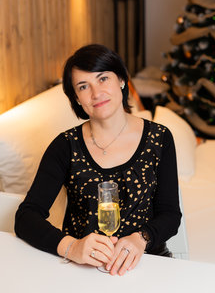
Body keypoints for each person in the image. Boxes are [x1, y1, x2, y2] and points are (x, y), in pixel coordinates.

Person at [15, 44, 182, 276]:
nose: (96, 93)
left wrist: (141, 238)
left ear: (122, 80)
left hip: (146, 264)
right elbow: (26, 217)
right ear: (76, 97)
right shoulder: (65, 146)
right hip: (81, 268)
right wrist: (72, 247)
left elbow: (171, 215)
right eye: (84, 86)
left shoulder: (160, 138)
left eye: (103, 79)